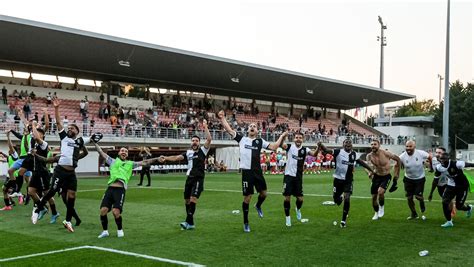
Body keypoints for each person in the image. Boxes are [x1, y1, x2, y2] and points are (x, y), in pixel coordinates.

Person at [218, 110, 287, 233]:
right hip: (247, 172)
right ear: (247, 129)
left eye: (254, 126)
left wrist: (281, 137)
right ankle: (246, 222)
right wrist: (222, 118)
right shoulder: (242, 139)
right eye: (250, 126)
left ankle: (258, 205)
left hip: (257, 171)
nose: (252, 127)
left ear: (257, 130)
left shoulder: (260, 141)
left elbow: (274, 147)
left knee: (264, 194)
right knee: (247, 197)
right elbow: (229, 130)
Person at [32, 98, 90, 233]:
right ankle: (38, 208)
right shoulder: (64, 138)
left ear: (77, 131)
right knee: (52, 191)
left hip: (71, 173)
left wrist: (92, 140)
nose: (69, 129)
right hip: (61, 171)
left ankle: (68, 220)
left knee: (72, 196)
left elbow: (86, 148)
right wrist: (56, 108)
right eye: (68, 127)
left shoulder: (78, 143)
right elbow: (58, 122)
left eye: (72, 128)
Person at [95, 142, 159, 238]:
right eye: (122, 151)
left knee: (116, 212)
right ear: (119, 153)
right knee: (103, 210)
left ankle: (120, 230)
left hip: (120, 190)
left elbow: (145, 162)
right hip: (110, 189)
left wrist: (157, 159)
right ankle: (105, 231)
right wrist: (95, 143)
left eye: (126, 151)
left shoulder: (130, 164)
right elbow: (101, 152)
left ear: (127, 154)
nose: (124, 152)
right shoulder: (112, 161)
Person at [159, 120, 211, 230]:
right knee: (187, 200)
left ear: (199, 142)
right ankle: (191, 224)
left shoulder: (203, 151)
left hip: (198, 178)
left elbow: (209, 139)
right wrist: (166, 158)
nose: (194, 142)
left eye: (196, 141)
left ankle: (187, 221)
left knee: (193, 199)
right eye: (193, 141)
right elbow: (176, 158)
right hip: (189, 178)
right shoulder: (188, 153)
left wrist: (205, 127)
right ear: (191, 142)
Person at [318, 139, 374, 227]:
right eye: (346, 143)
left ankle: (343, 221)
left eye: (349, 143)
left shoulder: (354, 154)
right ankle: (339, 198)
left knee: (347, 198)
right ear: (343, 145)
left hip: (348, 180)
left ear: (352, 145)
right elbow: (326, 150)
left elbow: (362, 163)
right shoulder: (338, 151)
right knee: (336, 200)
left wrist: (371, 170)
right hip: (337, 180)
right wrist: (321, 144)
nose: (348, 144)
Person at [280, 132, 318, 227]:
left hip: (298, 177)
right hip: (288, 176)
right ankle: (288, 218)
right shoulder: (289, 147)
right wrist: (283, 137)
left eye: (300, 138)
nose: (298, 139)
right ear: (294, 139)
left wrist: (318, 147)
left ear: (303, 139)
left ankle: (297, 208)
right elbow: (281, 145)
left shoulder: (305, 149)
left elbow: (314, 154)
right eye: (296, 137)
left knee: (300, 199)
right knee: (287, 198)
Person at [27, 121, 60, 224]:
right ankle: (42, 208)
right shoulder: (35, 144)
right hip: (36, 172)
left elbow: (36, 137)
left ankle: (54, 213)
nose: (36, 133)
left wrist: (33, 125)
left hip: (42, 172)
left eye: (39, 132)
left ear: (43, 135)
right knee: (31, 191)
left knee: (47, 194)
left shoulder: (44, 144)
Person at [364, 140, 401, 220]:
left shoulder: (385, 153)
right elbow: (366, 167)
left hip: (386, 176)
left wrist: (397, 173)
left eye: (375, 144)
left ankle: (381, 206)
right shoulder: (369, 156)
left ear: (379, 145)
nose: (373, 146)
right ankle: (376, 213)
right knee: (374, 197)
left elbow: (398, 159)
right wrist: (369, 173)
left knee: (380, 192)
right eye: (372, 144)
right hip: (376, 176)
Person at [435, 152, 473, 228]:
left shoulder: (457, 164)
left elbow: (470, 164)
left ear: (448, 159)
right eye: (441, 159)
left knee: (459, 206)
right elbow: (436, 178)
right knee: (445, 201)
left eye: (444, 159)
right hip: (451, 185)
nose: (442, 160)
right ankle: (449, 221)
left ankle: (469, 207)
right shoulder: (439, 167)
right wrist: (432, 190)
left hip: (462, 186)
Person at [399, 140, 431, 220]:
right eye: (407, 146)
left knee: (418, 196)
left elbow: (430, 156)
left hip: (420, 179)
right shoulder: (402, 156)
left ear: (414, 147)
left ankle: (421, 202)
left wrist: (431, 166)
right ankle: (414, 213)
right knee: (409, 198)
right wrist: (400, 165)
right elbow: (397, 161)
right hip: (408, 179)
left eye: (410, 146)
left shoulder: (420, 153)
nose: (408, 148)